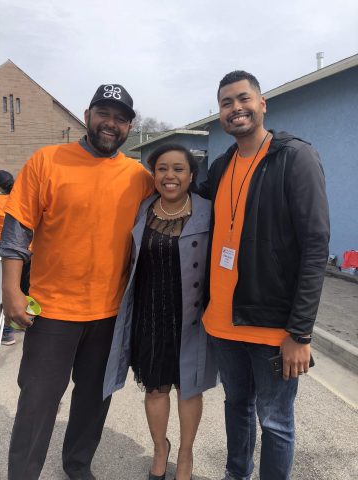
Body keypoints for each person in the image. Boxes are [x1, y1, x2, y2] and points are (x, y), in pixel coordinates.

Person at [0, 84, 154, 480]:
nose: (110, 123)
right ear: (86, 115)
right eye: (104, 113)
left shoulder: (139, 177)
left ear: (129, 127)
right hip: (52, 310)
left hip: (110, 313)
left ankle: (78, 464)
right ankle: (22, 473)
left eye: (120, 118)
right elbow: (16, 234)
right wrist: (12, 293)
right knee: (38, 401)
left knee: (93, 400)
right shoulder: (47, 161)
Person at [199, 71, 330, 480]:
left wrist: (301, 333)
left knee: (274, 422)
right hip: (223, 325)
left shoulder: (294, 157)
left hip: (274, 330)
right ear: (219, 113)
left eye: (243, 99)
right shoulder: (220, 167)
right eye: (226, 103)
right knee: (235, 408)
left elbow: (315, 248)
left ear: (262, 103)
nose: (235, 109)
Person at [103, 143, 218, 480]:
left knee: (189, 389)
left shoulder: (209, 211)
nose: (170, 176)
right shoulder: (142, 210)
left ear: (191, 175)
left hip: (192, 318)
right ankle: (159, 448)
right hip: (150, 316)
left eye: (178, 169)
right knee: (155, 389)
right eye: (162, 169)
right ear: (154, 175)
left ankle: (185, 455)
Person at [0, 170, 16, 345]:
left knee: (4, 291)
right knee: (21, 289)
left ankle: (6, 332)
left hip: (3, 252)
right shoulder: (19, 199)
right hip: (27, 250)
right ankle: (22, 321)